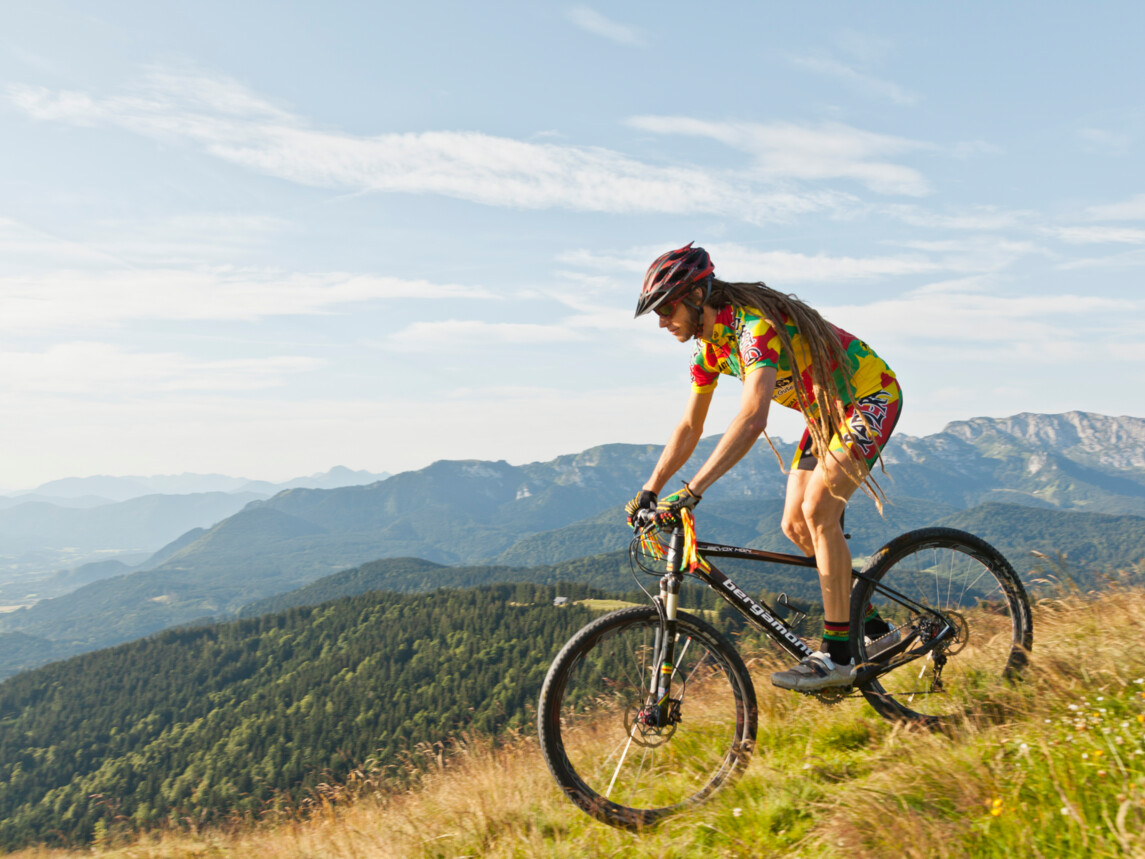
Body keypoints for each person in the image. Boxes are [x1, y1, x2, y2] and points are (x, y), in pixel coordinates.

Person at [624, 242, 902, 691]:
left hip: (870, 397)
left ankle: (838, 658)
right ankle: (875, 632)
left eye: (666, 308)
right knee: (795, 525)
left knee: (818, 513)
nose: (661, 321)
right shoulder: (710, 351)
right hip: (827, 414)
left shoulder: (755, 328)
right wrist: (651, 489)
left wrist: (694, 490)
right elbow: (689, 426)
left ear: (697, 296)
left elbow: (753, 418)